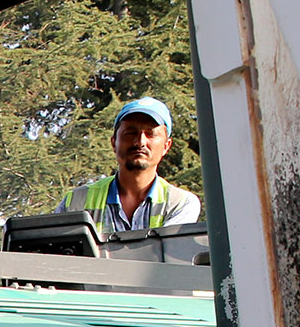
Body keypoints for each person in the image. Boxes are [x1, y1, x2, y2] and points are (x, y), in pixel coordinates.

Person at [57, 97, 201, 237]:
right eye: (130, 133)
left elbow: (169, 253)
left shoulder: (180, 204)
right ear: (114, 143)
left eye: (150, 134)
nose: (140, 142)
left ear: (166, 146)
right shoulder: (76, 202)